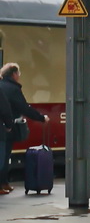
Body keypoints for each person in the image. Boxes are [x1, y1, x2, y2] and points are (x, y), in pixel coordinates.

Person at [0, 63, 48, 194]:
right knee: (4, 155)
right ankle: (1, 184)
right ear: (14, 74)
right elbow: (23, 108)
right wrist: (41, 118)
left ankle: (4, 182)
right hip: (5, 128)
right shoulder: (13, 89)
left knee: (4, 155)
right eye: (18, 73)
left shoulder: (2, 85)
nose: (19, 76)